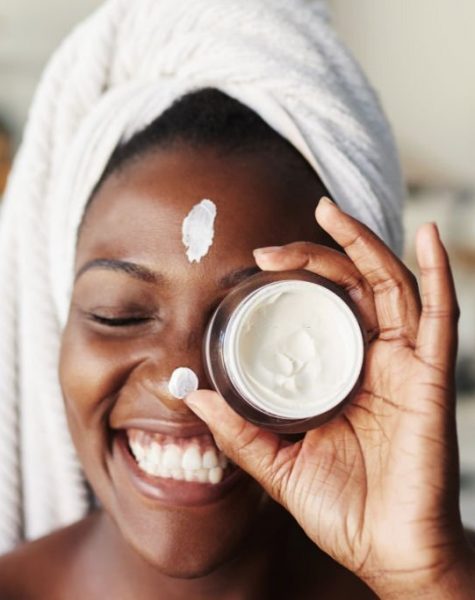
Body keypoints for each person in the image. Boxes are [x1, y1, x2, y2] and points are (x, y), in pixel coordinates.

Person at [0, 2, 474, 599]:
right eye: (117, 314)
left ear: (360, 339)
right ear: (57, 325)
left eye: (258, 322)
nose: (183, 379)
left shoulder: (447, 577)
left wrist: (424, 579)